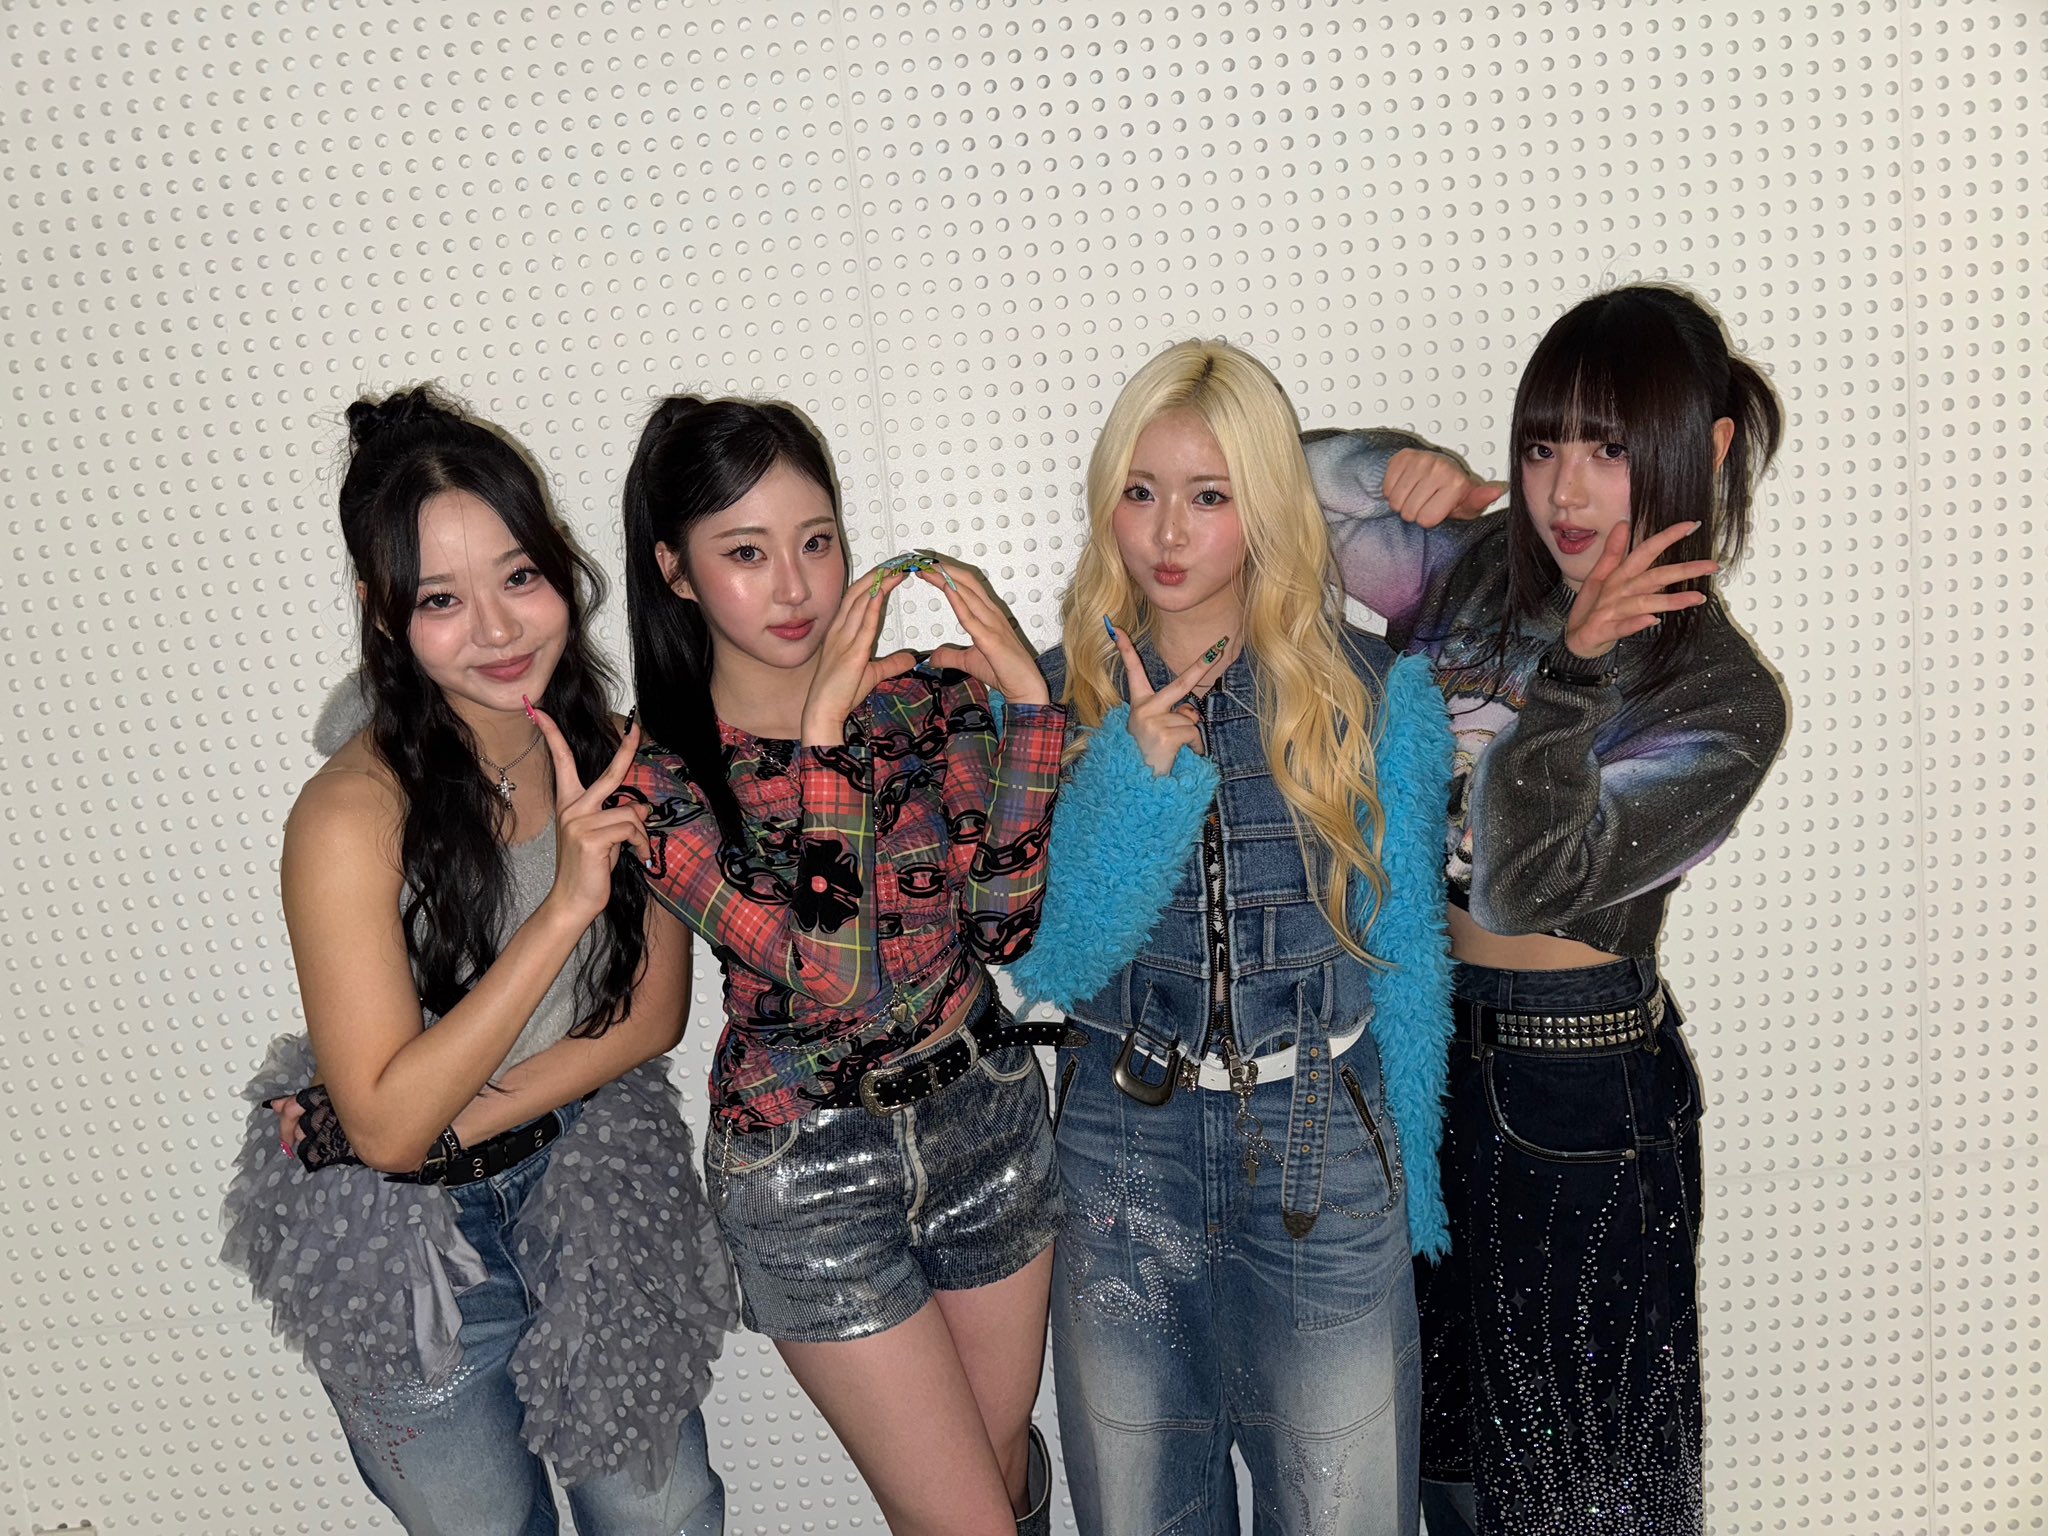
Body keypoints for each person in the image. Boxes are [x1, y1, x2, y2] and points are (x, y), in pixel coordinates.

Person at [1304, 284, 1789, 1536]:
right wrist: (1393, 473)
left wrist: (1571, 676)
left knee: (1584, 1496)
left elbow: (1524, 883)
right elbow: (1268, 494)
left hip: (1577, 1094)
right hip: (1422, 1064)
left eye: (1608, 450)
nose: (1565, 490)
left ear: (1704, 450)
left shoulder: (1719, 701)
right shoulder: (1473, 574)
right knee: (1448, 1469)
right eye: (1540, 447)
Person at [220, 386, 733, 1536]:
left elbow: (651, 1016)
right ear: (383, 611)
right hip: (402, 1245)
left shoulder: (626, 759)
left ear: (561, 570)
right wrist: (561, 912)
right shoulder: (349, 816)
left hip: (589, 1182)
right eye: (442, 599)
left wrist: (453, 1118)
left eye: (518, 577)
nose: (498, 629)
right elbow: (388, 1139)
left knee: (666, 1514)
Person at [1009, 339, 1456, 1536]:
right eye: (1139, 491)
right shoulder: (1052, 705)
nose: (1166, 531)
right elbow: (1042, 967)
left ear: (1263, 506)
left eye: (1207, 496)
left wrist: (1417, 1186)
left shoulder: (1374, 693)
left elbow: (1410, 963)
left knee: (1343, 1512)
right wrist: (1133, 787)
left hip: (1322, 1144)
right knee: (1143, 1514)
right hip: (1120, 1154)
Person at [616, 395, 1066, 1536]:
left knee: (996, 1481)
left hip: (984, 1112)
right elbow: (832, 976)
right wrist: (821, 746)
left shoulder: (926, 705)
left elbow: (1004, 930)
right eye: (745, 553)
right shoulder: (657, 777)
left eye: (816, 541)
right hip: (806, 1168)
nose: (795, 586)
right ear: (674, 571)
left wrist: (1026, 711)